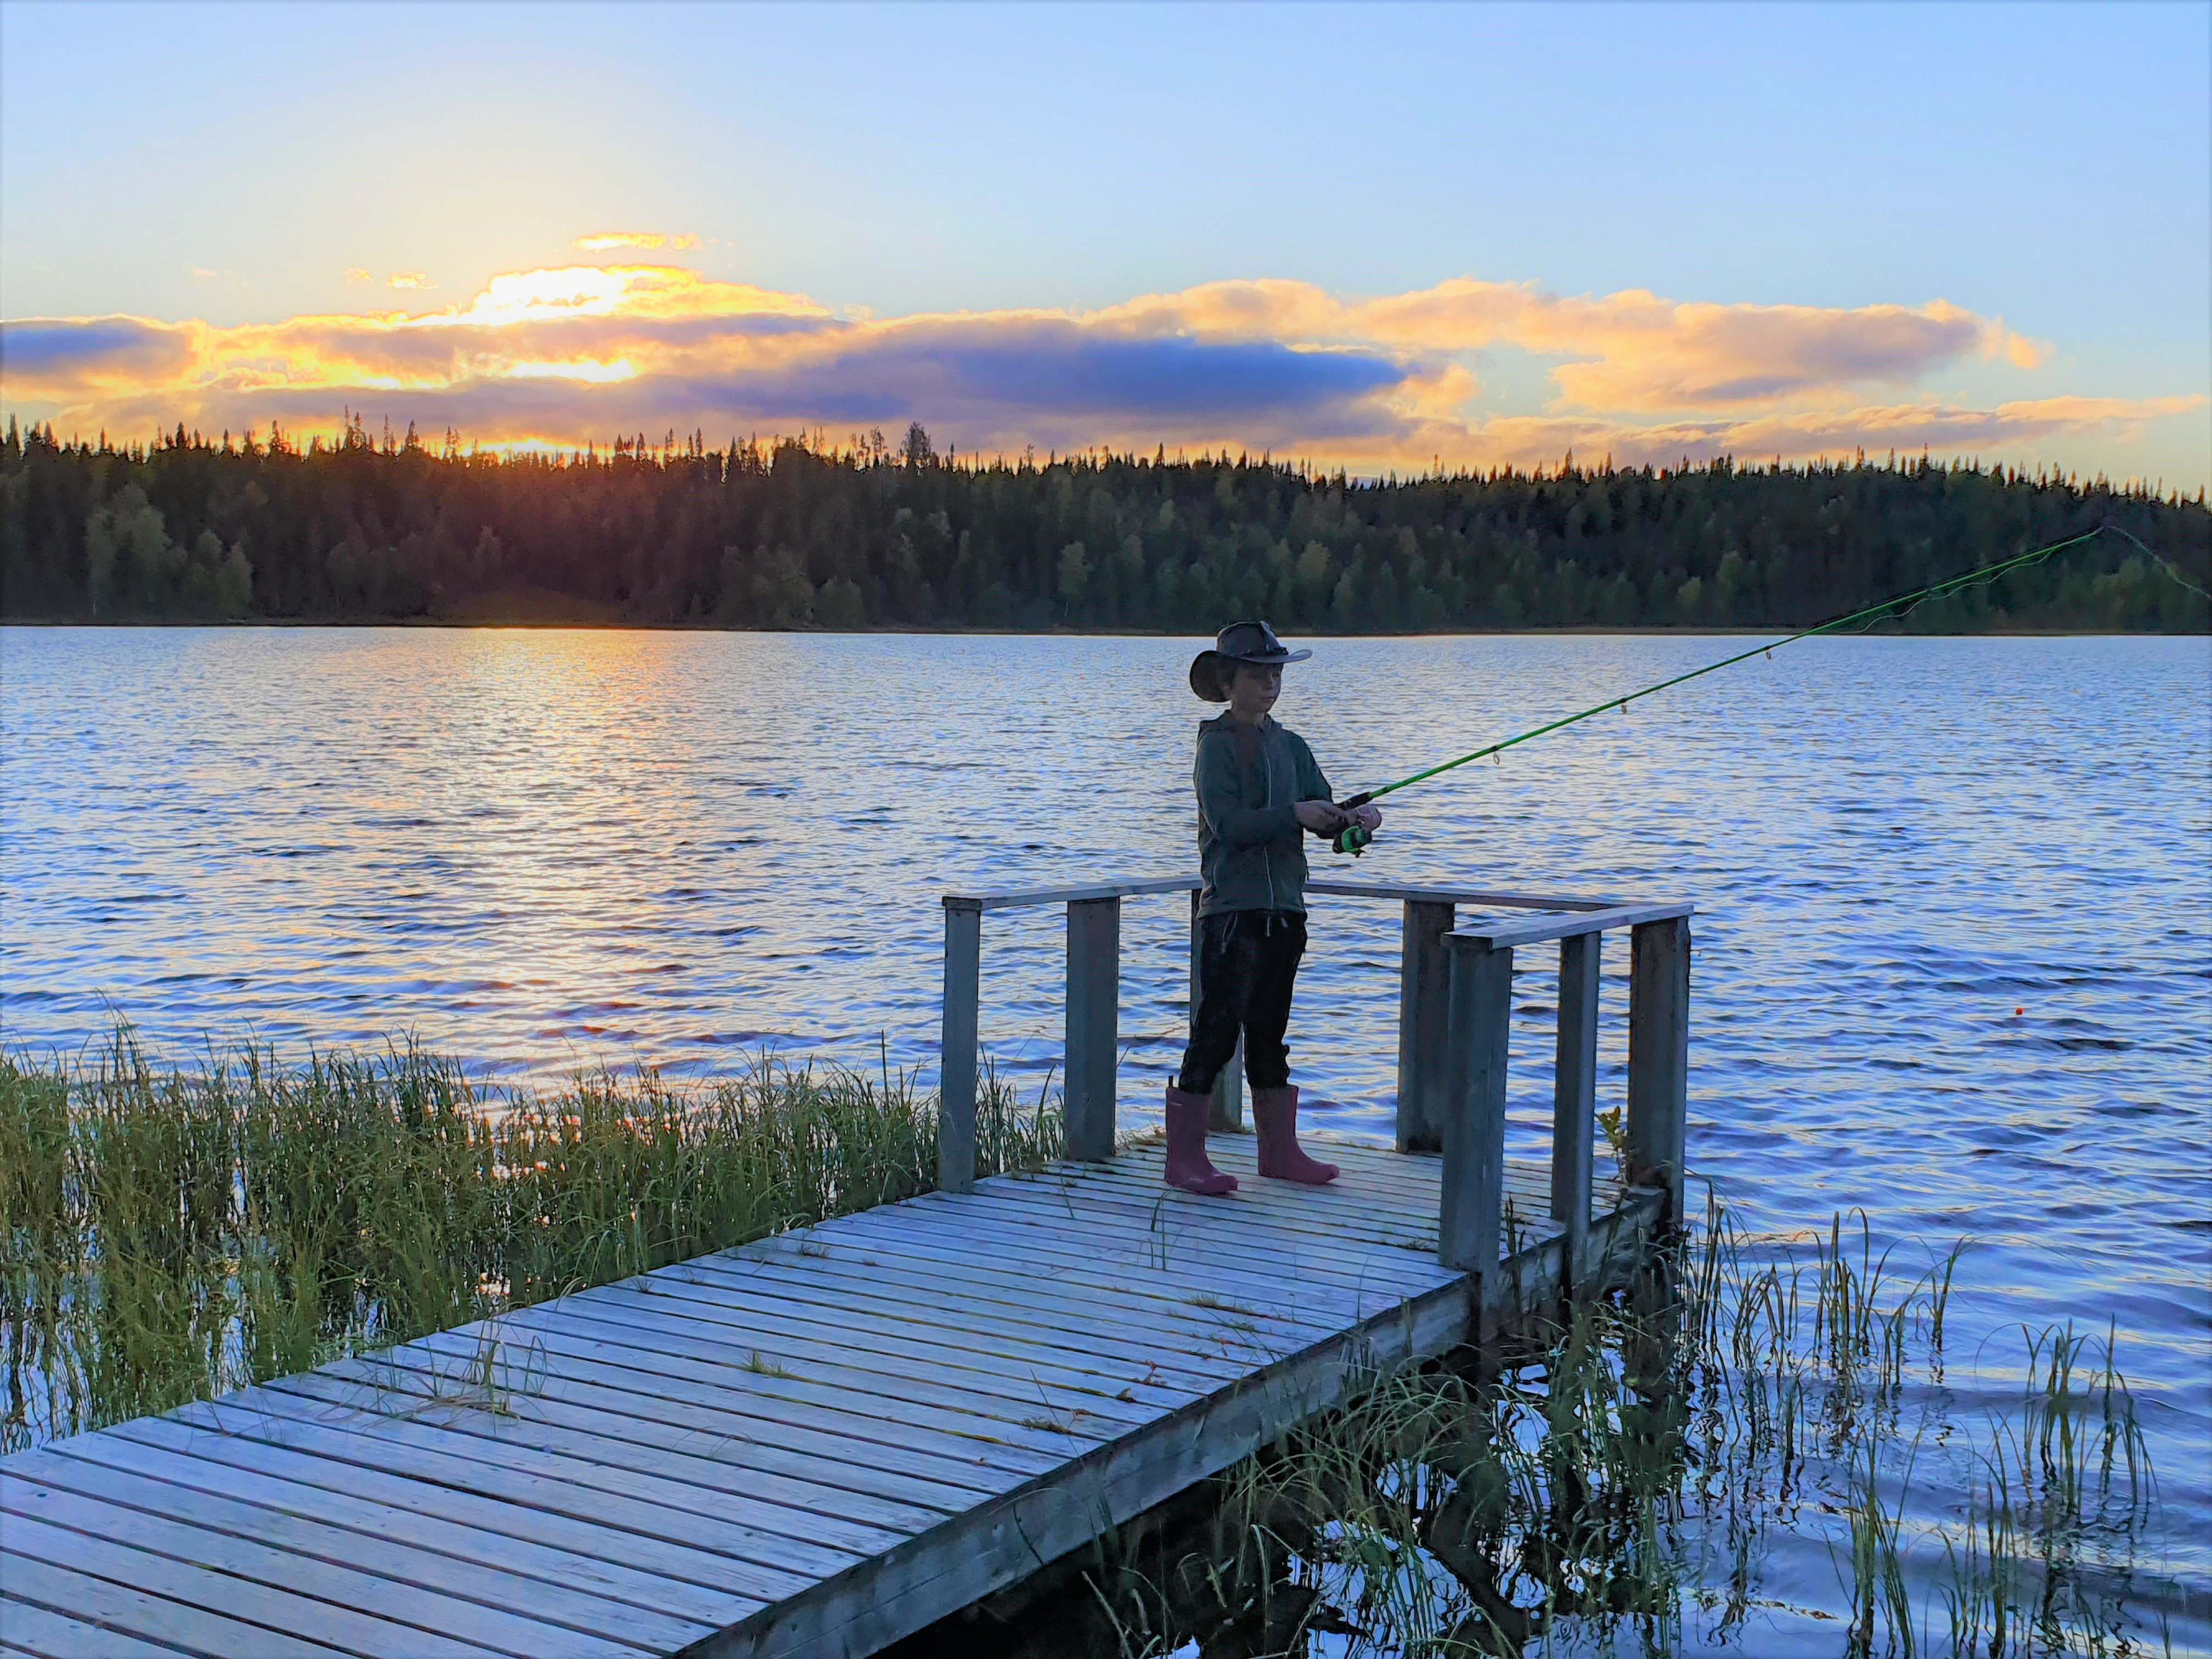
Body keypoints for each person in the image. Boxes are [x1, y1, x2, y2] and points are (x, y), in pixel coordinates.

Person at [1164, 621, 1382, 1196]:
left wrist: (1356, 824)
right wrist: (1297, 814)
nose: (1270, 683)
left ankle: (1279, 1154)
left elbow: (1327, 821)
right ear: (1227, 681)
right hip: (1233, 914)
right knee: (1215, 1033)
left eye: (1276, 672)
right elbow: (1229, 826)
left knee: (1270, 1035)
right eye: (1258, 673)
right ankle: (1184, 1160)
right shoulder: (1214, 746)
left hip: (1286, 912)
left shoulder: (1292, 746)